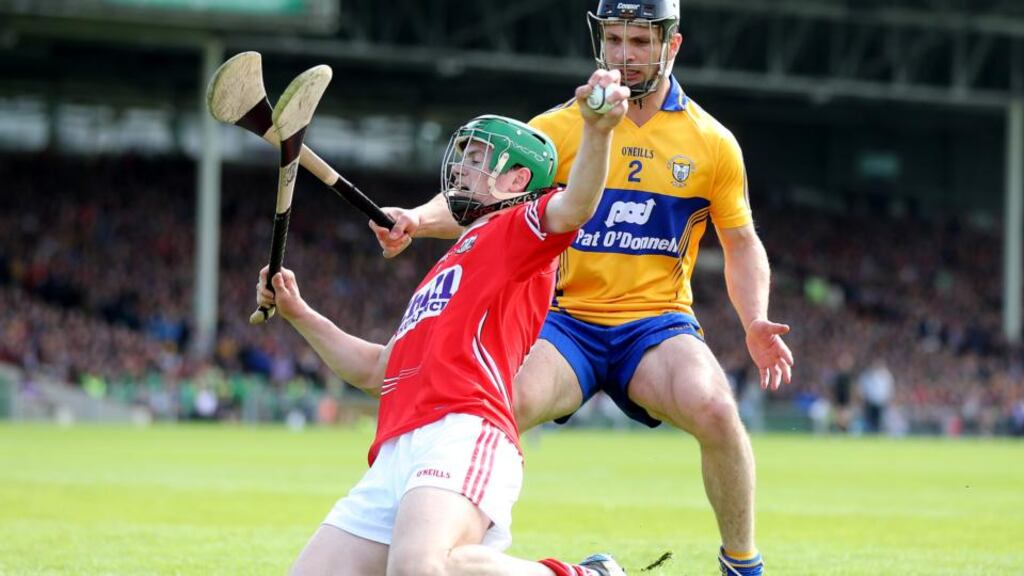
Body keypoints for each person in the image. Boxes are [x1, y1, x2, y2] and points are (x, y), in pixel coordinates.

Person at [369, 2, 793, 574]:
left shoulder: (712, 142)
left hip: (656, 324)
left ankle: (742, 564)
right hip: (564, 323)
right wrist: (417, 220)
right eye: (615, 39)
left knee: (716, 408)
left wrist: (754, 319)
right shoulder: (557, 129)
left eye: (640, 42)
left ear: (672, 46)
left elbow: (740, 243)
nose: (625, 55)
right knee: (495, 405)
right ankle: (443, 553)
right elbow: (481, 196)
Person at [259, 70, 631, 576]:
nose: (461, 168)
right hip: (395, 447)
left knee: (421, 566)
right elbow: (376, 370)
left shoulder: (520, 231)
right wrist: (298, 312)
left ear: (518, 181)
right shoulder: (448, 265)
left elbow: (577, 204)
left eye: (478, 159)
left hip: (463, 428)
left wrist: (598, 130)